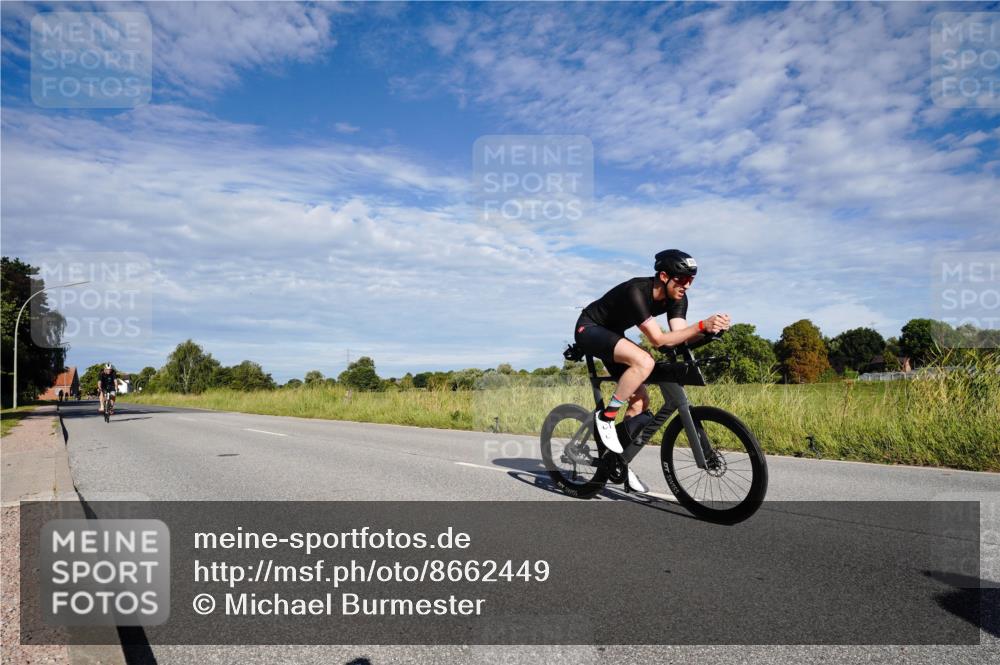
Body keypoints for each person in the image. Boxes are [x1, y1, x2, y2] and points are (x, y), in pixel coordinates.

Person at [574, 249, 731, 492]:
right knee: (645, 362)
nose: (687, 285)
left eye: (691, 280)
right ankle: (606, 418)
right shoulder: (637, 291)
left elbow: (678, 338)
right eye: (681, 280)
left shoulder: (678, 298)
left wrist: (709, 332)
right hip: (590, 328)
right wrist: (701, 324)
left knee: (639, 403)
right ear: (663, 276)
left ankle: (619, 462)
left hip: (615, 336)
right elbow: (658, 340)